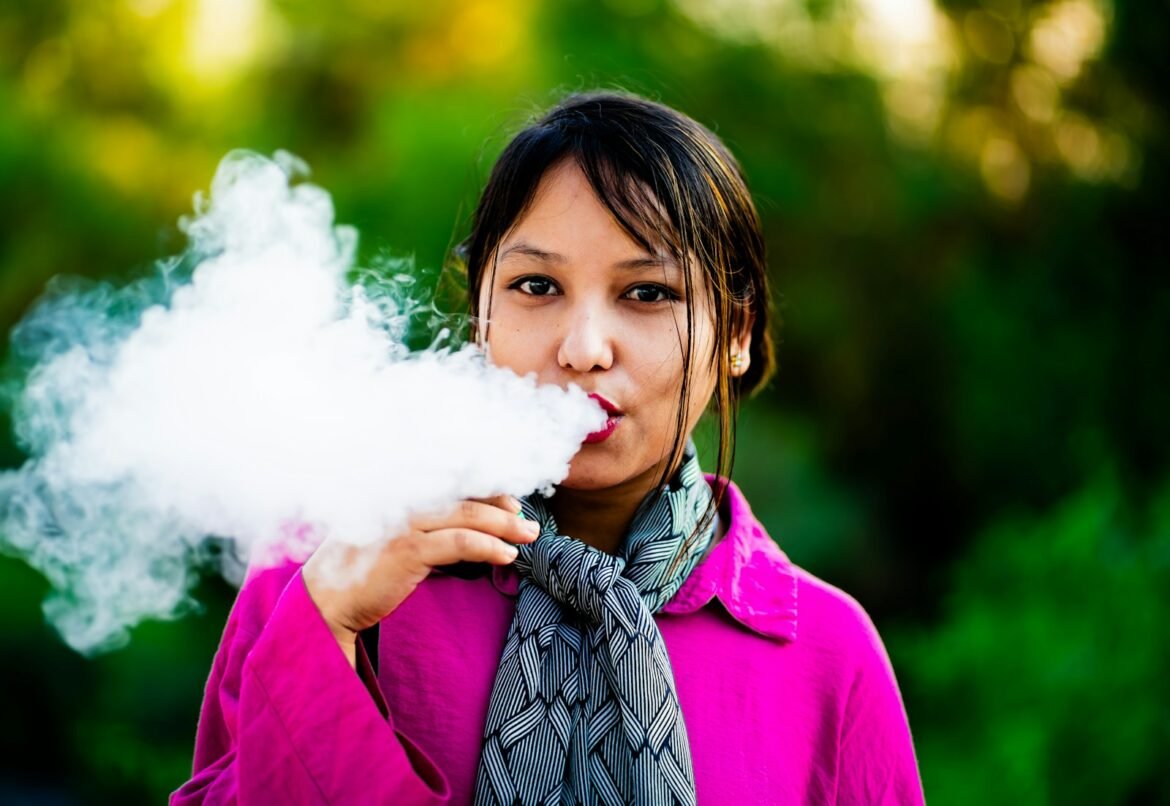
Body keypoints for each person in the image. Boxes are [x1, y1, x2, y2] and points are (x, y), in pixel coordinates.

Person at [172, 92, 925, 805]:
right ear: (480, 313)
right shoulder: (329, 571)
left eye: (648, 293)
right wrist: (325, 626)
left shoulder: (827, 654)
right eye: (536, 286)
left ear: (734, 333)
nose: (583, 347)